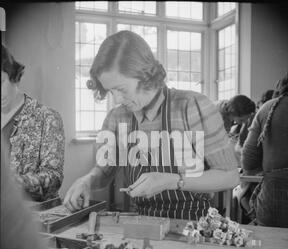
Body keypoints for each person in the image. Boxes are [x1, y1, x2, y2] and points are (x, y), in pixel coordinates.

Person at [64, 30, 239, 220]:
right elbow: (104, 172)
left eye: (121, 89)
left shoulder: (193, 106)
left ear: (145, 75)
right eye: (110, 91)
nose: (116, 99)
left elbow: (229, 176)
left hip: (193, 223)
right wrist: (88, 180)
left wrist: (171, 181)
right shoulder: (117, 117)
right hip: (140, 222)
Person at [1, 44, 65, 202]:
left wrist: (9, 184)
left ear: (13, 75)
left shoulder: (47, 118)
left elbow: (53, 178)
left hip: (34, 219)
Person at [242, 67, 288, 228]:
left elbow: (248, 159)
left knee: (272, 247)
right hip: (280, 192)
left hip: (274, 196)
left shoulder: (268, 108)